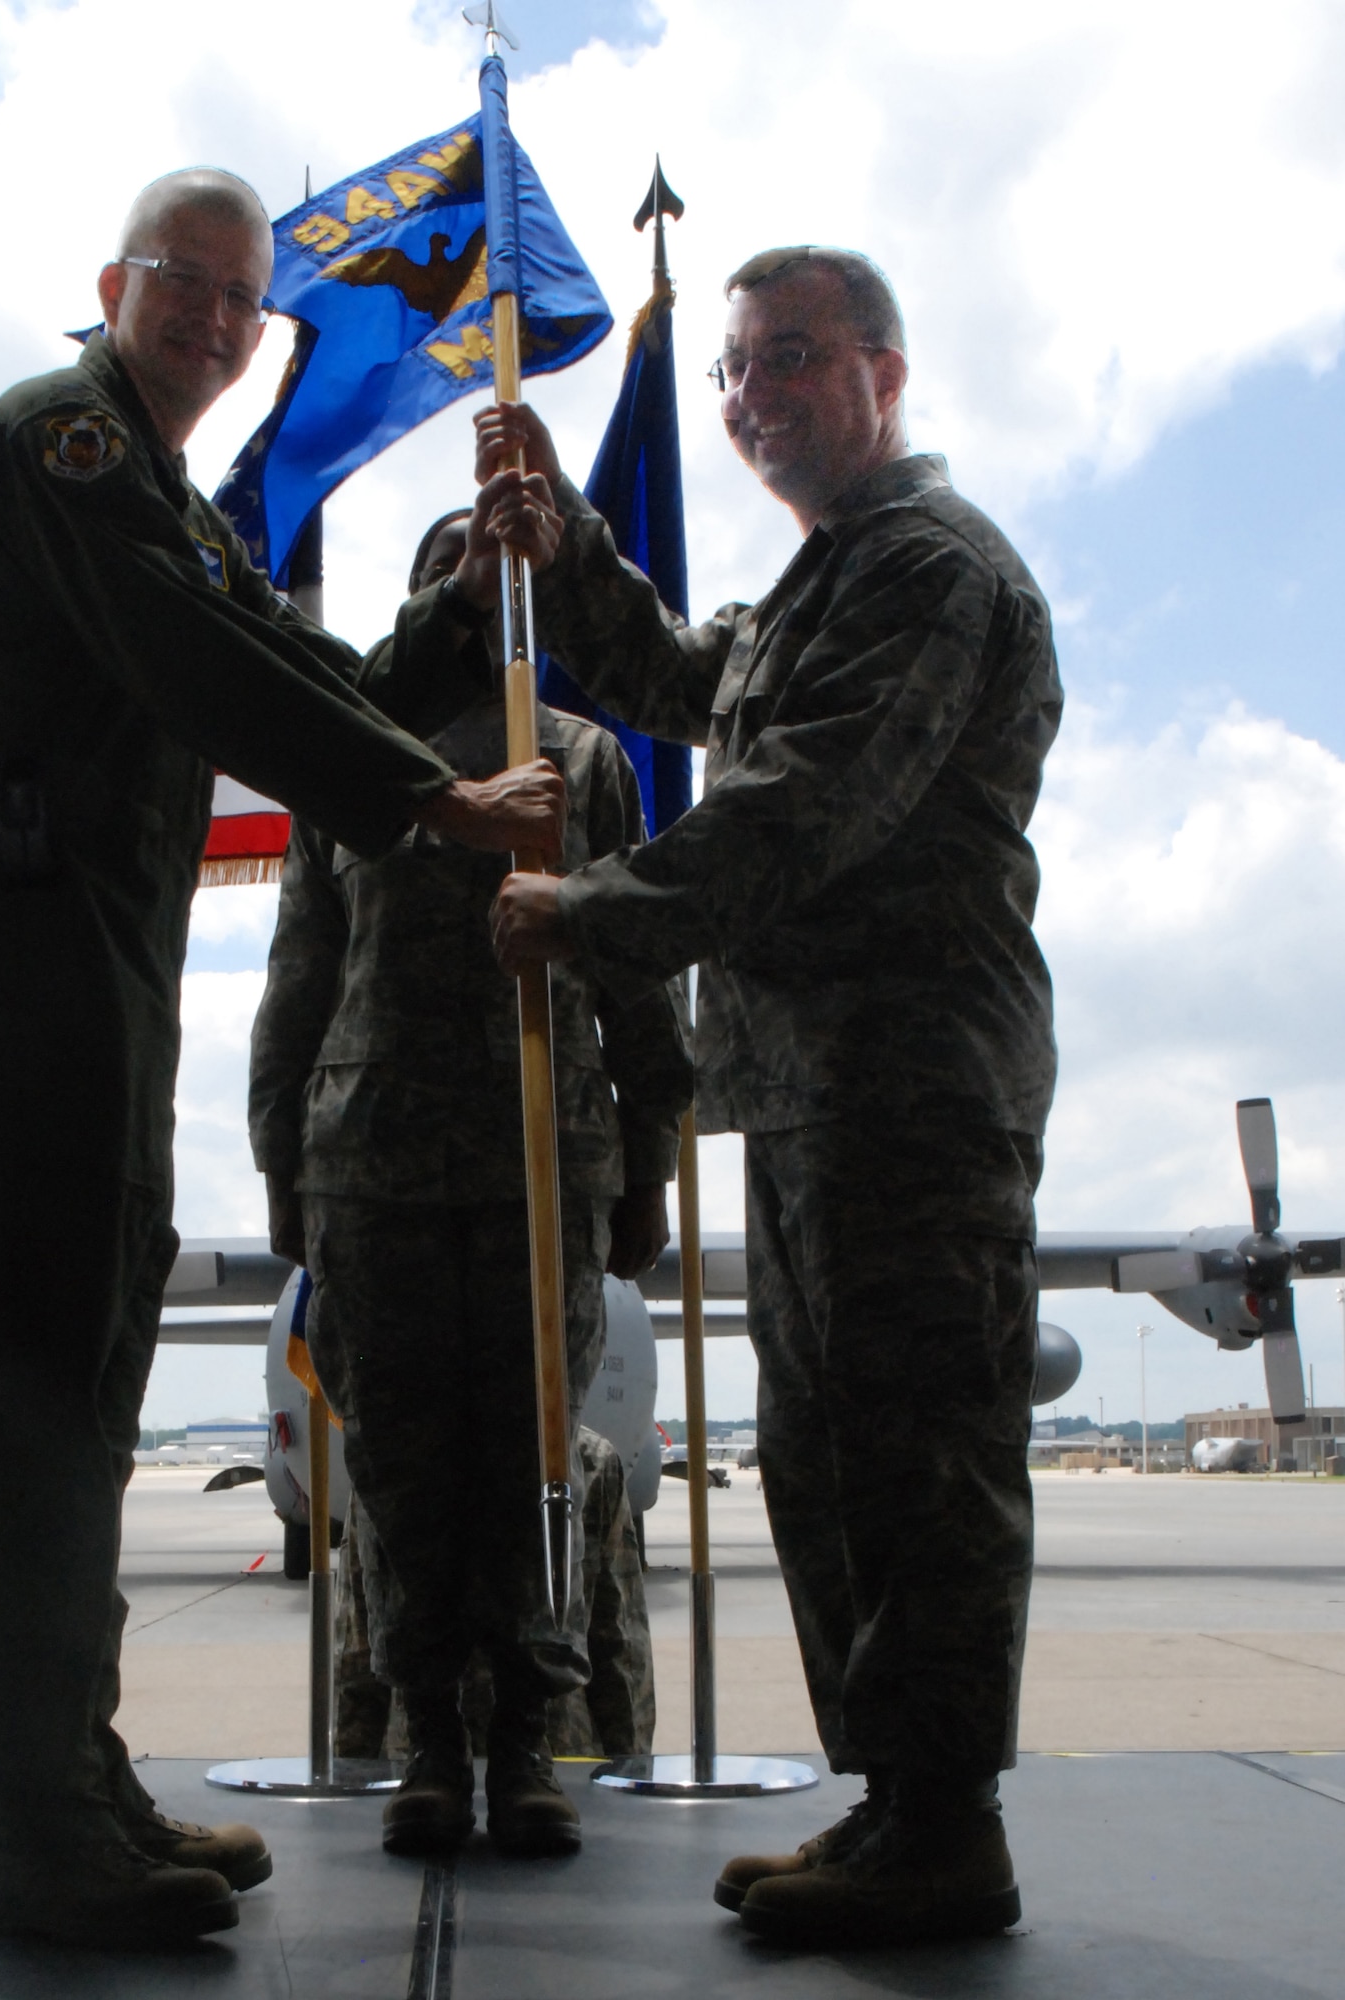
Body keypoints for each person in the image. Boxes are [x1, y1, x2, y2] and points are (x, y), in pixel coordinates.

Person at [0, 170, 565, 1949]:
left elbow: (269, 650)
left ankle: (66, 1767)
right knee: (19, 1382)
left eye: (240, 301)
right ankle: (20, 1822)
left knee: (88, 1369)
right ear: (113, 283)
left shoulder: (166, 503)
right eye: (181, 282)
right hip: (8, 942)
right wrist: (432, 800)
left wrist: (460, 595)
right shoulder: (52, 447)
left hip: (87, 951)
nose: (209, 319)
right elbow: (199, 656)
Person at [479, 246, 1062, 1946]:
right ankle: (897, 1805)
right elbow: (677, 681)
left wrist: (582, 913)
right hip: (816, 1095)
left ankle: (946, 1823)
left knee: (918, 1458)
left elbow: (792, 810)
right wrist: (561, 542)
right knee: (826, 1460)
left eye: (787, 360)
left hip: (911, 1090)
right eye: (731, 372)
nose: (747, 398)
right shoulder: (818, 589)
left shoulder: (923, 574)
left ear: (886, 370)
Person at [249, 506, 690, 1858]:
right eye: (447, 563)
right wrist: (282, 1165)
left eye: (490, 566)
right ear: (418, 597)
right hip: (371, 1167)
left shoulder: (584, 766)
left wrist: (648, 1168)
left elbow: (637, 978)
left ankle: (528, 1747)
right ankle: (430, 1741)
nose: (473, 581)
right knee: (400, 1471)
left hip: (541, 1164)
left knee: (536, 1466)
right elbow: (300, 977)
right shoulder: (351, 773)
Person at [332, 1426, 656, 1766]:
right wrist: (629, 1767)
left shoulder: (390, 1460)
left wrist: (350, 1771)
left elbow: (357, 1647)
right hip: (537, 1765)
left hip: (443, 1767)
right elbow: (620, 1647)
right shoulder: (579, 1459)